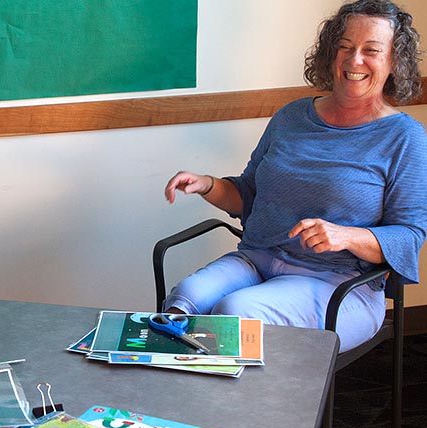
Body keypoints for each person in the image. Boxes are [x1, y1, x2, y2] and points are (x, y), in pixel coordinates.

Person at [162, 0, 427, 353]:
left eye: (371, 51)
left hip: (341, 284)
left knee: (235, 313)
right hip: (258, 260)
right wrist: (208, 184)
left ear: (395, 62)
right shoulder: (291, 117)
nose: (354, 60)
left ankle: (248, 407)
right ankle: (180, 405)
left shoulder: (404, 137)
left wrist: (344, 235)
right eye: (345, 47)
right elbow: (249, 194)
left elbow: (409, 236)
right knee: (184, 301)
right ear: (331, 52)